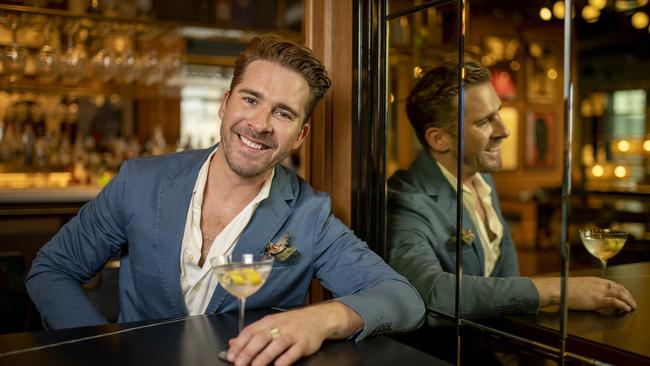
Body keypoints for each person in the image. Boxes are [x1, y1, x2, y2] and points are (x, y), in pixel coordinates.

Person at [26, 35, 425, 366]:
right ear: (225, 103)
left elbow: (403, 298)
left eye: (283, 114)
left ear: (300, 136)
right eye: (250, 100)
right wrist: (96, 349)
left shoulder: (311, 216)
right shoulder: (139, 181)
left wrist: (319, 319)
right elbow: (53, 268)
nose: (260, 124)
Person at [387, 58, 636, 324]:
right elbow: (430, 291)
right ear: (439, 139)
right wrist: (556, 290)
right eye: (484, 121)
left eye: (498, 113)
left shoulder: (481, 178)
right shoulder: (406, 201)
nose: (504, 130)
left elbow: (507, 279)